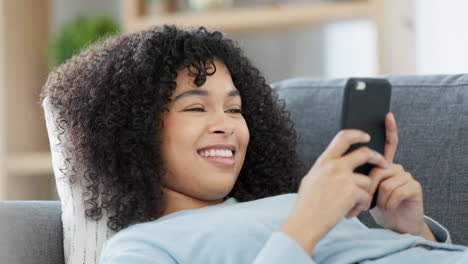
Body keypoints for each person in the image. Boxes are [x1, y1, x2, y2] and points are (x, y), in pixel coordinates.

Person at [41, 25, 468, 263]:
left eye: (234, 109)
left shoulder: (291, 204)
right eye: (196, 109)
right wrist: (307, 221)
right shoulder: (139, 249)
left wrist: (412, 228)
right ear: (134, 131)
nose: (226, 126)